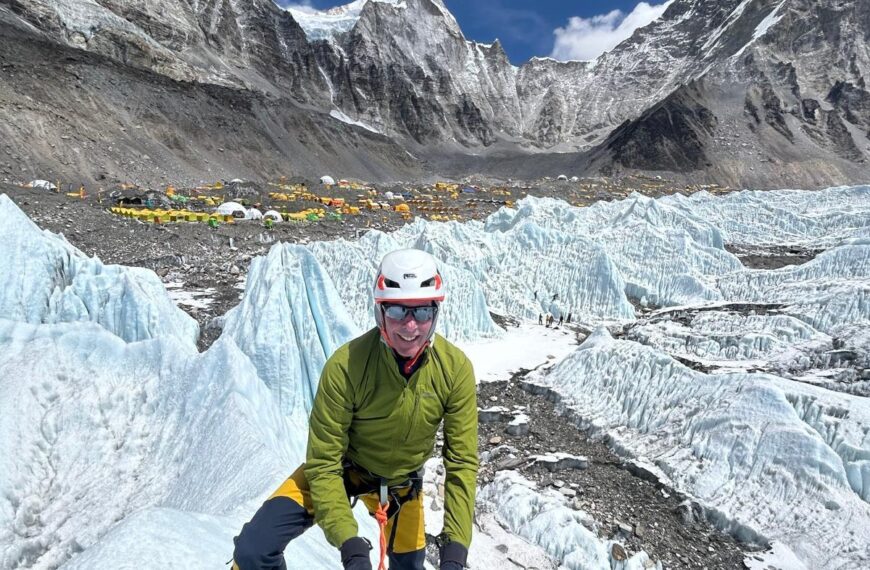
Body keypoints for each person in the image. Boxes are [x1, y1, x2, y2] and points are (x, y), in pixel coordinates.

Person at [232, 249, 478, 570]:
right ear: (380, 312)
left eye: (421, 312)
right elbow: (323, 464)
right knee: (254, 550)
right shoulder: (347, 366)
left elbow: (461, 464)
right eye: (397, 311)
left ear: (435, 313)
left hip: (401, 487)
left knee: (409, 565)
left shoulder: (454, 369)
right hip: (343, 472)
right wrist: (350, 544)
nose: (410, 326)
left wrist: (455, 551)